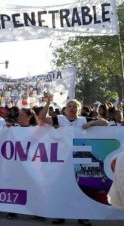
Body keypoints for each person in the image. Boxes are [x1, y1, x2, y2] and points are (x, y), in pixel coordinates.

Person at [39, 97, 107, 226]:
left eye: (75, 106)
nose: (72, 108)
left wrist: (91, 124)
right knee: (62, 188)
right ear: (65, 109)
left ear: (79, 109)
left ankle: (83, 216)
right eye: (69, 106)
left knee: (82, 188)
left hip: (81, 159)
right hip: (62, 160)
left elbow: (105, 123)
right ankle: (61, 215)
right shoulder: (59, 119)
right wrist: (48, 103)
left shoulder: (83, 120)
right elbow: (42, 118)